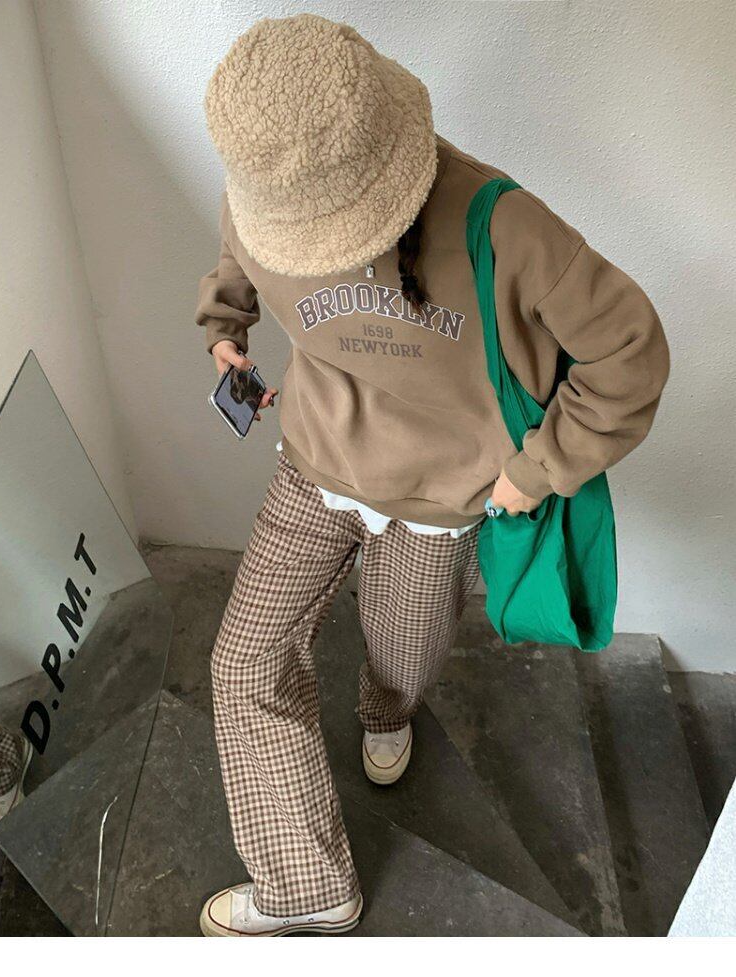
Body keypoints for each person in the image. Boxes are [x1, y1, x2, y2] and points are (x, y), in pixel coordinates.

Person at [194, 13, 669, 937]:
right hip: (314, 461)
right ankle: (308, 885)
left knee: (404, 653)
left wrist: (536, 471)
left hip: (443, 500)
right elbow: (236, 263)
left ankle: (387, 706)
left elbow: (629, 353)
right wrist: (224, 330)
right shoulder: (266, 191)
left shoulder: (505, 226)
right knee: (242, 662)